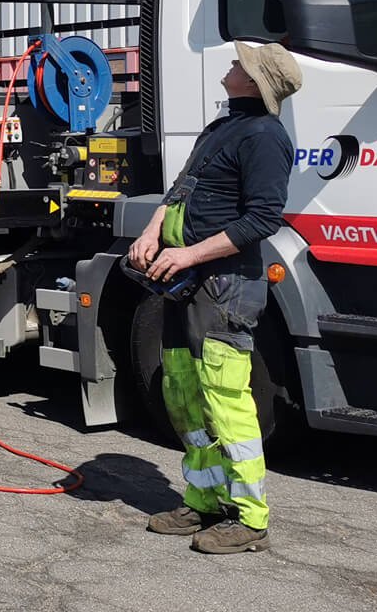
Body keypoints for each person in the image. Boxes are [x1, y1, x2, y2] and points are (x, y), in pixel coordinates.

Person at [127, 41, 301, 555]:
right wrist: (153, 231)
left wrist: (189, 255)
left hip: (225, 287)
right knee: (184, 391)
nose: (229, 67)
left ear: (255, 81)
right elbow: (181, 189)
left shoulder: (266, 137)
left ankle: (250, 518)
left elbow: (262, 219)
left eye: (238, 65)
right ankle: (204, 499)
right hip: (188, 283)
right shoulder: (222, 127)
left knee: (226, 399)